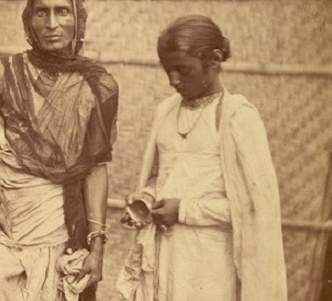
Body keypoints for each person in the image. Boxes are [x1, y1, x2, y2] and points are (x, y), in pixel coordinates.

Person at [0, 0, 119, 301]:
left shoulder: (97, 85)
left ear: (79, 18)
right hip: (9, 220)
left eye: (63, 12)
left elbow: (95, 167)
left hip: (64, 225)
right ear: (28, 19)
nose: (52, 23)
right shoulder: (3, 73)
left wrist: (97, 245)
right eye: (41, 12)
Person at [116, 15, 288, 301]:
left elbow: (254, 209)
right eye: (167, 70)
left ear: (215, 59)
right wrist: (146, 198)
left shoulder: (237, 117)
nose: (173, 80)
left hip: (208, 264)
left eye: (183, 69)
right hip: (163, 257)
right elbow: (163, 176)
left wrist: (183, 210)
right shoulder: (167, 111)